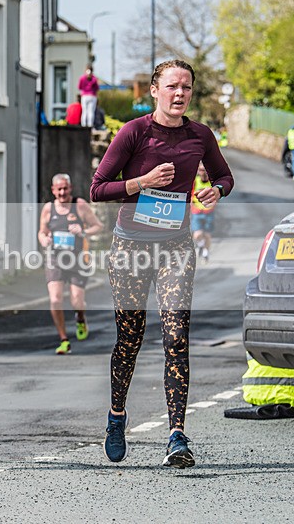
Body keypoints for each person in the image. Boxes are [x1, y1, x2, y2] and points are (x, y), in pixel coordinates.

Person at [89, 59, 234, 469]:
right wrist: (142, 182)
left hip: (175, 246)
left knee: (176, 336)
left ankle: (176, 434)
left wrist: (215, 191)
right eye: (171, 86)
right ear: (154, 90)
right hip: (131, 246)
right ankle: (117, 416)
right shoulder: (134, 133)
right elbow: (98, 188)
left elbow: (224, 176)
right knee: (130, 339)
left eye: (186, 87)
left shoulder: (200, 135)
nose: (179, 94)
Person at [38, 173, 103, 354]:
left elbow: (98, 226)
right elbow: (42, 232)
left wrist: (82, 230)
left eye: (65, 188)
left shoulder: (79, 205)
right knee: (55, 299)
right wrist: (44, 239)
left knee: (77, 301)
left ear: (70, 188)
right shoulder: (48, 208)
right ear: (53, 190)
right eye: (59, 189)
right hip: (55, 259)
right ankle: (64, 339)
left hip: (77, 260)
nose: (62, 192)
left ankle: (80, 318)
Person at [190, 162, 216, 262]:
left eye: (204, 170)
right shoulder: (195, 181)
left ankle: (206, 252)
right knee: (197, 234)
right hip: (197, 211)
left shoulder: (212, 182)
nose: (203, 173)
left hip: (209, 212)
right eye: (201, 170)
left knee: (207, 235)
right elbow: (191, 195)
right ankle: (200, 245)